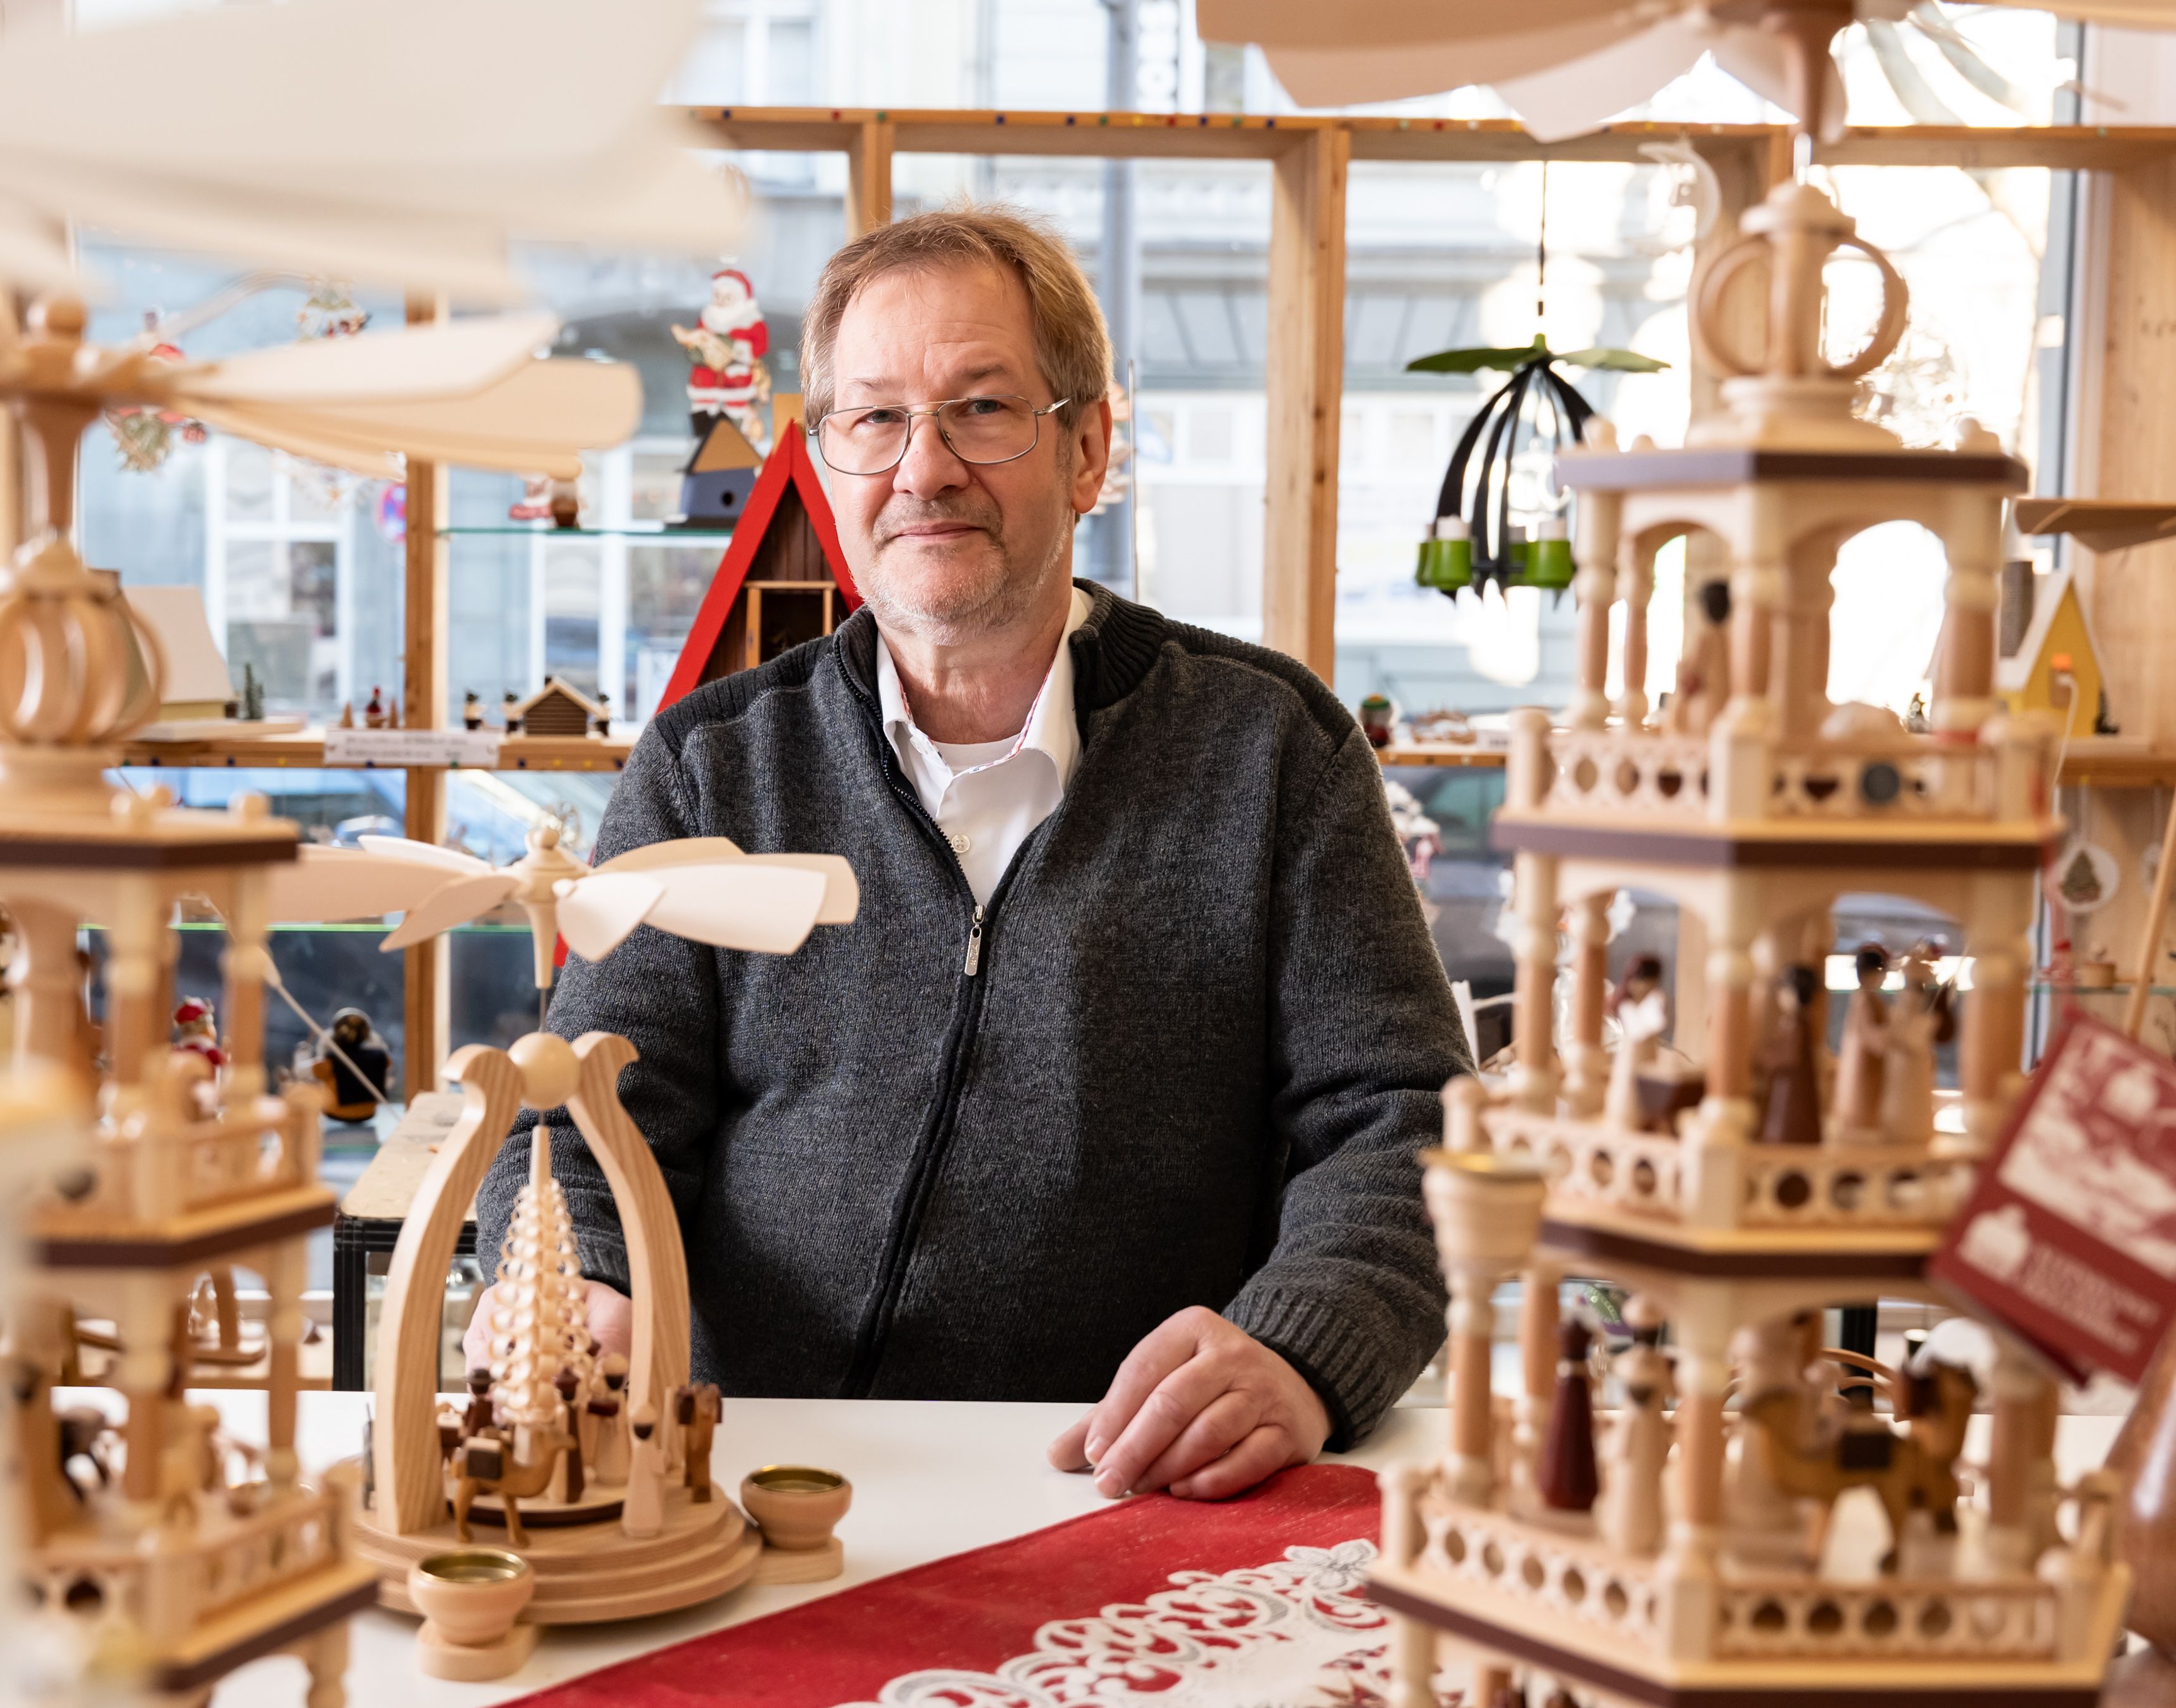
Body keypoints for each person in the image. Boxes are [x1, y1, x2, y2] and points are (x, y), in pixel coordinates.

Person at [467, 204, 1465, 1502]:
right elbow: (588, 1109)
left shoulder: (1267, 752)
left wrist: (1304, 1347)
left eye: (981, 409)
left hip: (1121, 1490)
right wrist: (580, 1281)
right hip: (749, 1479)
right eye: (873, 418)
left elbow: (1404, 1119)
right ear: (825, 457)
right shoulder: (713, 765)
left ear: (1089, 447)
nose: (922, 469)